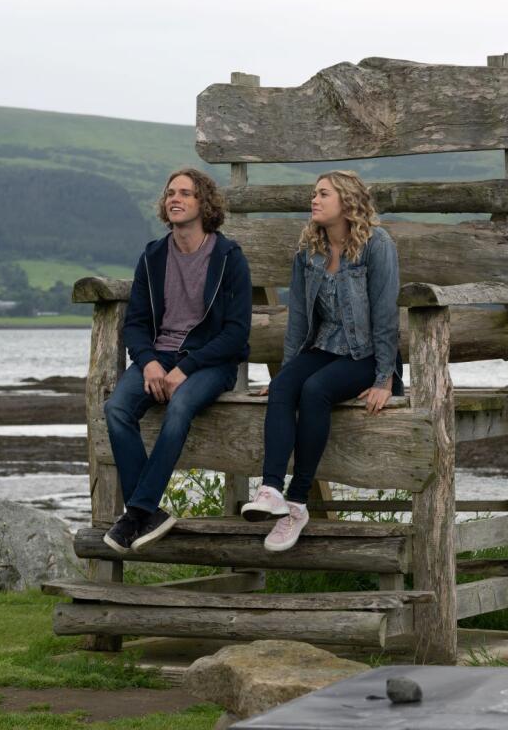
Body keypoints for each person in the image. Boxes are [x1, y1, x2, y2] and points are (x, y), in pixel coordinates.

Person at [241, 170, 400, 552]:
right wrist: (288, 370)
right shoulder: (308, 250)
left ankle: (297, 502)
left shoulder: (377, 245)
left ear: (347, 202)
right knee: (284, 386)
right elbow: (297, 317)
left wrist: (384, 380)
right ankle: (270, 491)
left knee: (316, 391)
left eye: (323, 194)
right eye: (314, 194)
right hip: (323, 348)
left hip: (366, 355)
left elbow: (385, 314)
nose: (314, 200)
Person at [103, 167, 252, 553]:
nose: (175, 198)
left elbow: (236, 334)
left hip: (209, 363)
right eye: (171, 192)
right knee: (117, 408)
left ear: (204, 204)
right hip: (160, 356)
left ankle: (136, 513)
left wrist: (185, 368)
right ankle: (147, 512)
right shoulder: (152, 256)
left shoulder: (228, 257)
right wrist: (150, 362)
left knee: (180, 405)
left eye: (185, 193)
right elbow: (135, 324)